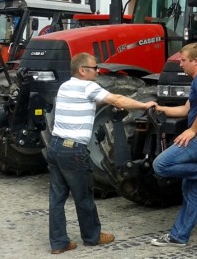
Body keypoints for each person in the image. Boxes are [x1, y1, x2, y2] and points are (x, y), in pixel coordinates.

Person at [48, 53, 156, 255]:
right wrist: (144, 105)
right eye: (94, 67)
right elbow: (118, 99)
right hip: (73, 151)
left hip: (55, 147)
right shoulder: (88, 86)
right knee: (85, 196)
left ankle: (58, 242)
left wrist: (105, 102)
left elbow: (87, 103)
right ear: (82, 70)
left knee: (57, 198)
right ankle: (92, 236)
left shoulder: (65, 86)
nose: (97, 71)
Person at [150, 43, 197, 247]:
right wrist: (160, 108)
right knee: (190, 189)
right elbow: (185, 110)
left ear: (196, 61)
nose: (180, 64)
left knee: (160, 165)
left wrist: (192, 131)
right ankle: (179, 236)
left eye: (183, 60)